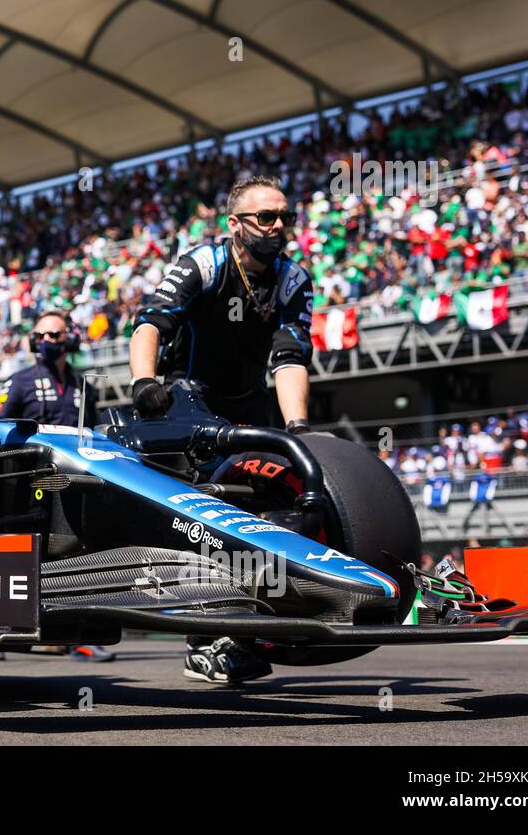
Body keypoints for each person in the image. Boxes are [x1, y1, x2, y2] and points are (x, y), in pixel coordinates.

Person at [128, 175, 314, 685]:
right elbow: (151, 323)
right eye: (266, 217)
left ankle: (266, 618)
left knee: (282, 492)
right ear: (234, 224)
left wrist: (298, 427)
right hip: (188, 400)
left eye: (285, 217)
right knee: (216, 506)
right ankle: (204, 638)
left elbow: (291, 357)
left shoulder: (294, 279)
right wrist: (144, 382)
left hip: (250, 405)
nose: (278, 226)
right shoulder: (202, 264)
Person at [0, 311, 112, 663]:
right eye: (41, 334)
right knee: (21, 550)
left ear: (69, 338)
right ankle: (3, 632)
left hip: (76, 483)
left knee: (79, 552)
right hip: (29, 483)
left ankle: (78, 635)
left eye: (55, 335)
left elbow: (98, 430)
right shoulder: (19, 381)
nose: (47, 340)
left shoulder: (82, 385)